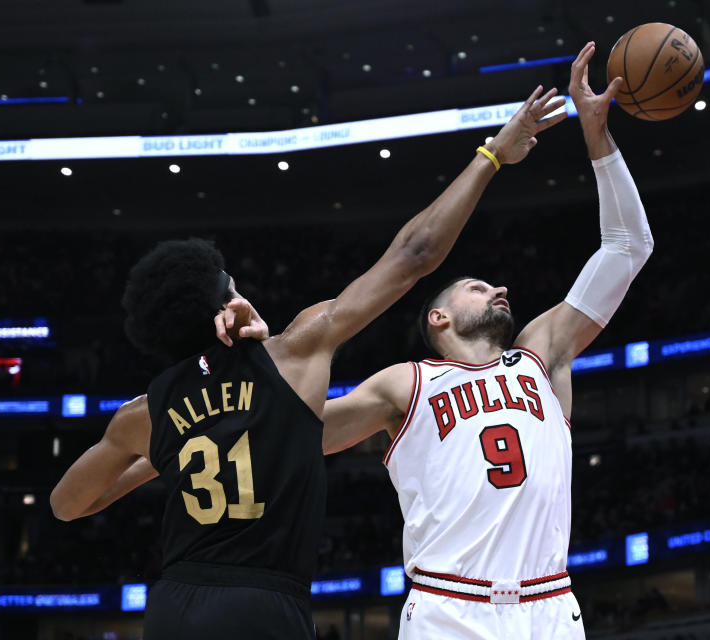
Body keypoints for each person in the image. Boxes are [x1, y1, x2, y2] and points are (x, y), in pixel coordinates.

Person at [48, 84, 566, 640]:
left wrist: (162, 455)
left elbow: (67, 505)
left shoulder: (145, 414)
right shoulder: (294, 354)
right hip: (263, 603)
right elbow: (415, 256)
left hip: (175, 603)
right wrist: (490, 156)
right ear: (225, 304)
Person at [244, 42, 651, 638]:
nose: (499, 290)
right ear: (438, 319)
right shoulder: (406, 382)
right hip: (449, 609)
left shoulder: (543, 354)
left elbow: (627, 247)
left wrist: (597, 135)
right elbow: (298, 434)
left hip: (550, 606)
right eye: (478, 286)